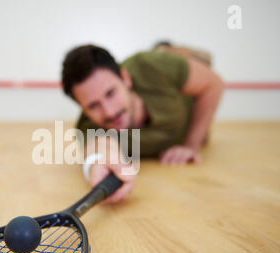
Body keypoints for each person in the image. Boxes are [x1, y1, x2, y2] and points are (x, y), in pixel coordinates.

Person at [61, 44, 224, 204]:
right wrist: (98, 164)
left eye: (110, 93)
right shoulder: (88, 126)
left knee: (196, 58)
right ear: (82, 108)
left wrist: (191, 145)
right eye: (93, 105)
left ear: (126, 78)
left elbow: (213, 84)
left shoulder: (150, 65)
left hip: (172, 74)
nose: (109, 112)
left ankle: (164, 47)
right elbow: (99, 148)